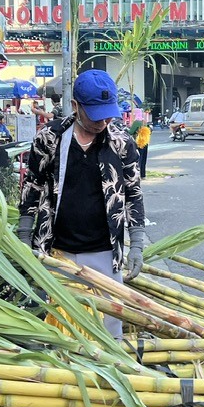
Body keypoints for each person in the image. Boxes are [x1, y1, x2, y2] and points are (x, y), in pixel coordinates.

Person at [18, 70, 146, 338]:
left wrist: (137, 245)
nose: (103, 121)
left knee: (109, 332)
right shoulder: (50, 138)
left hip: (104, 253)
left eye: (108, 113)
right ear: (75, 106)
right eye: (96, 114)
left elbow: (133, 194)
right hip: (57, 251)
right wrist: (23, 234)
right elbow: (33, 184)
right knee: (58, 330)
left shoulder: (121, 143)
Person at [128, 110, 152, 179]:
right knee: (143, 159)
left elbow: (131, 132)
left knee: (138, 159)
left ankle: (137, 175)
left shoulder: (136, 122)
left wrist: (126, 129)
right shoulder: (144, 122)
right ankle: (143, 175)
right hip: (145, 142)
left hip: (138, 142)